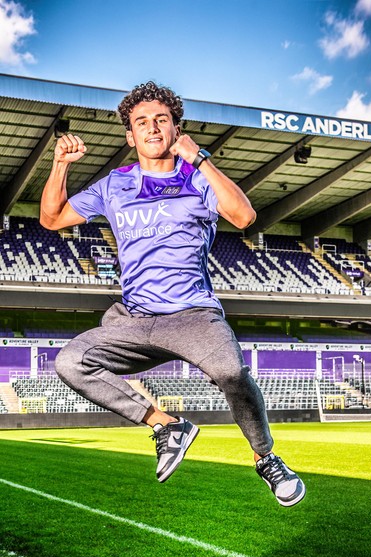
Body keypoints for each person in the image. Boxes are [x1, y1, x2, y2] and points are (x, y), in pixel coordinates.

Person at [40, 81, 305, 507]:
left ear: (175, 128)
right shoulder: (115, 184)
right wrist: (60, 165)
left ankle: (266, 458)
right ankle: (167, 426)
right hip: (134, 319)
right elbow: (52, 219)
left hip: (193, 316)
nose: (151, 128)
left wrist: (199, 158)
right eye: (140, 122)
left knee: (232, 374)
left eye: (161, 120)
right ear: (130, 136)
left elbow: (243, 215)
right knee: (71, 361)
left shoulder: (197, 178)